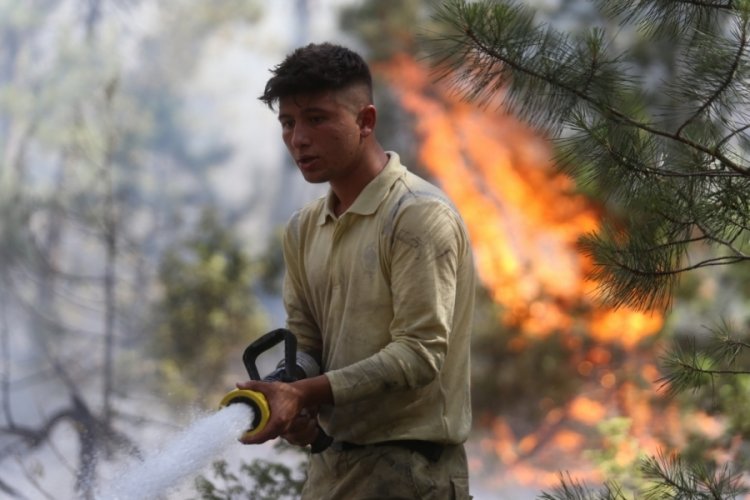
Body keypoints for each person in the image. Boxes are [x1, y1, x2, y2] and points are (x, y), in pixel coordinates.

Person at [236, 42, 475, 499]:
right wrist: (289, 387)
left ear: (366, 121)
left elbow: (420, 354)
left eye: (317, 119)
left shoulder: (416, 216)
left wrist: (307, 394)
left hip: (411, 474)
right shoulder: (305, 228)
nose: (298, 138)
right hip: (330, 468)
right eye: (288, 123)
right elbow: (306, 343)